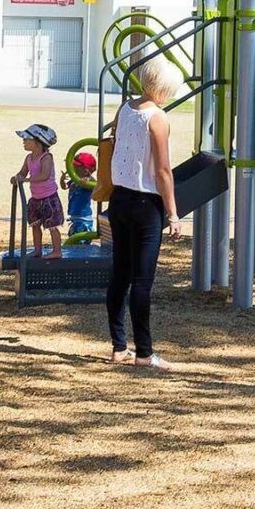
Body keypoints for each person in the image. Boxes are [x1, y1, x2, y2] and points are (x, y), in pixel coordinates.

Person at [104, 54, 182, 370]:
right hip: (145, 203)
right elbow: (163, 170)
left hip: (119, 199)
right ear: (163, 88)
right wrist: (173, 213)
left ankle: (118, 346)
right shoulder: (158, 117)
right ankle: (145, 353)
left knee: (120, 273)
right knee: (142, 280)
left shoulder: (125, 108)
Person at [13, 123, 64, 260]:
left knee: (52, 225)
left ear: (38, 142)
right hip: (35, 198)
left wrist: (27, 180)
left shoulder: (46, 157)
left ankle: (57, 251)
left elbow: (45, 175)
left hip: (49, 198)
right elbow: (23, 172)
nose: (23, 141)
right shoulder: (29, 158)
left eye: (26, 138)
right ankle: (37, 250)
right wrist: (18, 177)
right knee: (35, 224)